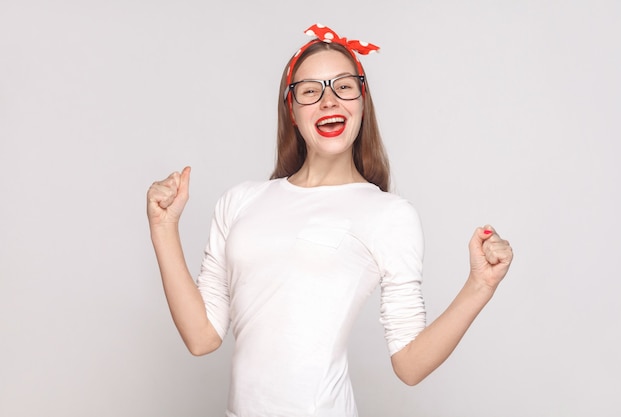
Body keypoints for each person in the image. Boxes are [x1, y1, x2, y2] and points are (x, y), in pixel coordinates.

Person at [147, 23, 513, 417]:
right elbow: (202, 337)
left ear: (361, 101)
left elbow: (410, 364)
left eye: (343, 86)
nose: (328, 101)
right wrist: (163, 228)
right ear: (292, 110)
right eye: (310, 91)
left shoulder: (387, 215)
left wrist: (480, 285)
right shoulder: (240, 201)